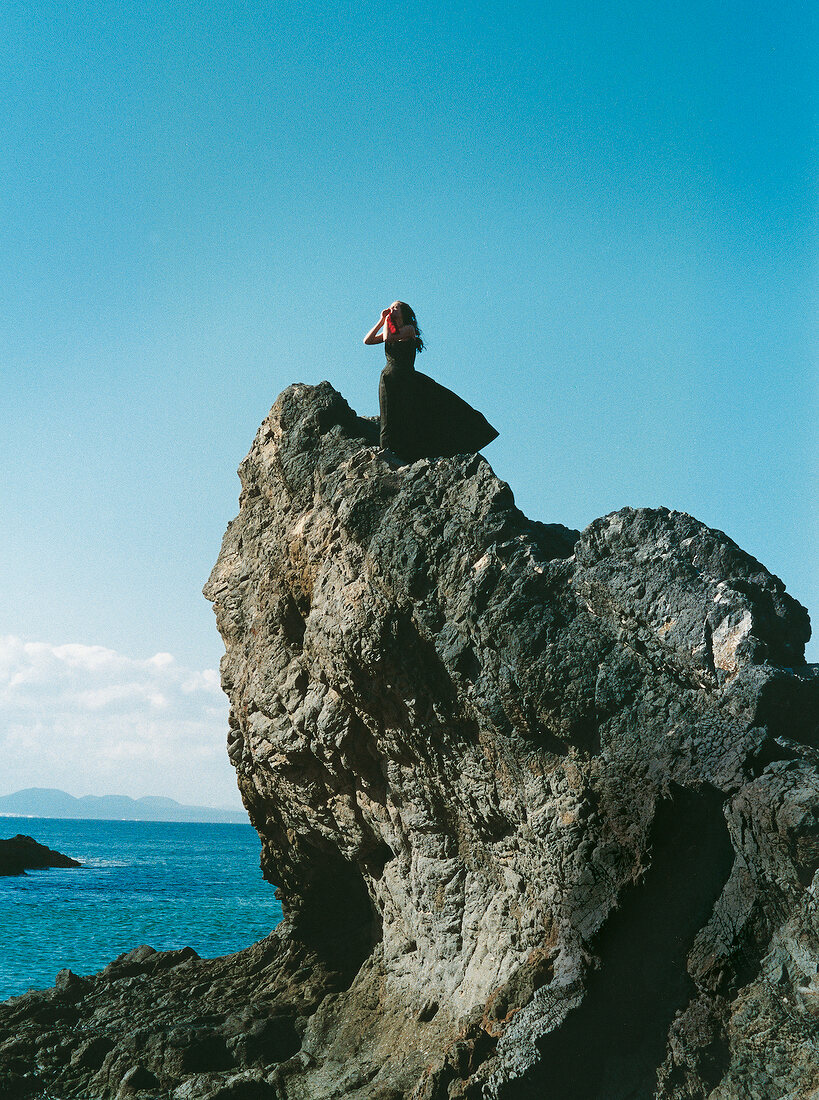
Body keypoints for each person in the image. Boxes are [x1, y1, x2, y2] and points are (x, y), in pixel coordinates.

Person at [363, 301, 498, 462]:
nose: (391, 309)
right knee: (389, 415)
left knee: (413, 414)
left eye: (395, 307)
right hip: (389, 378)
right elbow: (368, 340)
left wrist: (387, 321)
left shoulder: (409, 329)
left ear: (404, 312)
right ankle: (388, 451)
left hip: (406, 378)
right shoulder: (390, 329)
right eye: (391, 307)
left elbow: (389, 337)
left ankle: (404, 453)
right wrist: (381, 320)